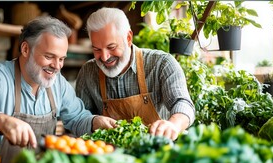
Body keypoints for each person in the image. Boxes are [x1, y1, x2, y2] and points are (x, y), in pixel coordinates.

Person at [0, 16, 116, 163]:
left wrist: (95, 122)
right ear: (25, 49)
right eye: (49, 56)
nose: (57, 66)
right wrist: (0, 120)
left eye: (61, 59)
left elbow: (78, 117)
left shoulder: (57, 83)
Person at [75, 7, 195, 141]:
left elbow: (183, 103)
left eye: (111, 47)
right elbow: (78, 117)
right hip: (109, 156)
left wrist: (174, 124)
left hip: (158, 153)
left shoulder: (161, 64)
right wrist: (93, 121)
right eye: (97, 49)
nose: (104, 57)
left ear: (128, 38)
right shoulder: (88, 72)